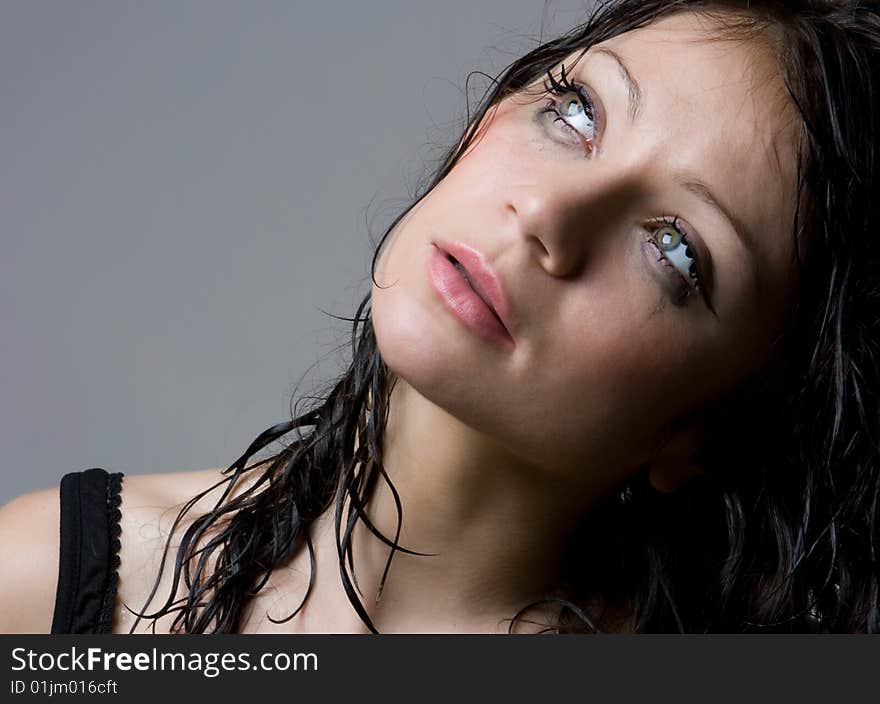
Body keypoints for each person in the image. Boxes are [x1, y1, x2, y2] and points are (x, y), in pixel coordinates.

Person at [2, 0, 879, 634]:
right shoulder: (49, 582)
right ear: (489, 117)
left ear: (711, 429)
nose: (547, 215)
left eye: (676, 249)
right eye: (576, 112)